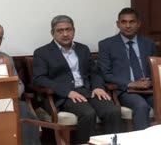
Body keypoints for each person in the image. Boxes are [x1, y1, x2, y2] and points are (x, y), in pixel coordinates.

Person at [33, 15, 121, 144]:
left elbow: (95, 72)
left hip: (87, 91)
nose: (65, 34)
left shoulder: (82, 49)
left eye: (69, 30)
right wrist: (67, 92)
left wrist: (98, 87)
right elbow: (39, 79)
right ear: (52, 33)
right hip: (63, 95)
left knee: (112, 111)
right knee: (88, 113)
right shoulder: (42, 52)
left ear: (73, 30)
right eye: (60, 31)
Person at [98, 7, 157, 130]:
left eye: (132, 22)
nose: (128, 25)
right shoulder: (106, 44)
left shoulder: (148, 43)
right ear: (118, 24)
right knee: (141, 106)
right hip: (125, 90)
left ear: (138, 24)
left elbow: (155, 68)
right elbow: (105, 73)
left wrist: (151, 81)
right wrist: (131, 83)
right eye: (124, 22)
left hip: (149, 88)